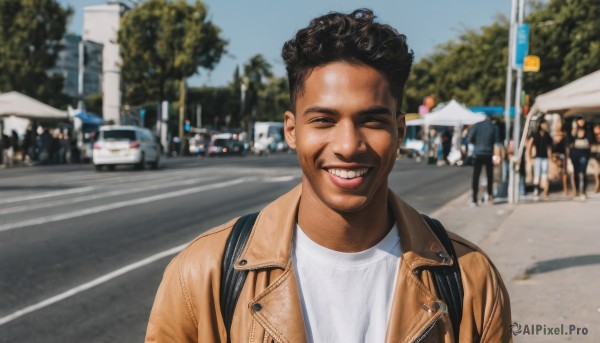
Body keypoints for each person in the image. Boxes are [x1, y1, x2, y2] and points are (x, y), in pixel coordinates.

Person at [145, 9, 511, 342]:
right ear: (292, 130)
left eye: (372, 120)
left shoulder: (470, 280)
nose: (348, 146)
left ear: (400, 131)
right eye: (324, 120)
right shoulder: (202, 273)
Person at [468, 116, 500, 206]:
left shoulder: (477, 125)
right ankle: (490, 196)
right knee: (490, 176)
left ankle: (474, 199)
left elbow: (470, 137)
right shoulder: (494, 127)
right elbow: (497, 142)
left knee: (476, 176)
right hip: (489, 153)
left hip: (478, 153)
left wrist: (475, 144)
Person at [567, 115, 595, 200]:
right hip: (575, 154)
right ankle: (577, 191)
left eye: (582, 121)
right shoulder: (573, 131)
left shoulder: (588, 131)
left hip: (584, 154)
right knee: (576, 173)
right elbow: (569, 143)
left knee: (583, 172)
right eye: (579, 121)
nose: (581, 122)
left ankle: (583, 191)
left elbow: (591, 142)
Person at [527, 118, 553, 200]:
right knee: (537, 174)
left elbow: (549, 147)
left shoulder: (547, 135)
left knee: (544, 174)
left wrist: (550, 157)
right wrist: (529, 156)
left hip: (545, 157)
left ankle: (545, 191)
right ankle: (536, 189)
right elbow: (530, 144)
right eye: (543, 124)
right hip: (537, 157)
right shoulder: (535, 134)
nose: (545, 126)